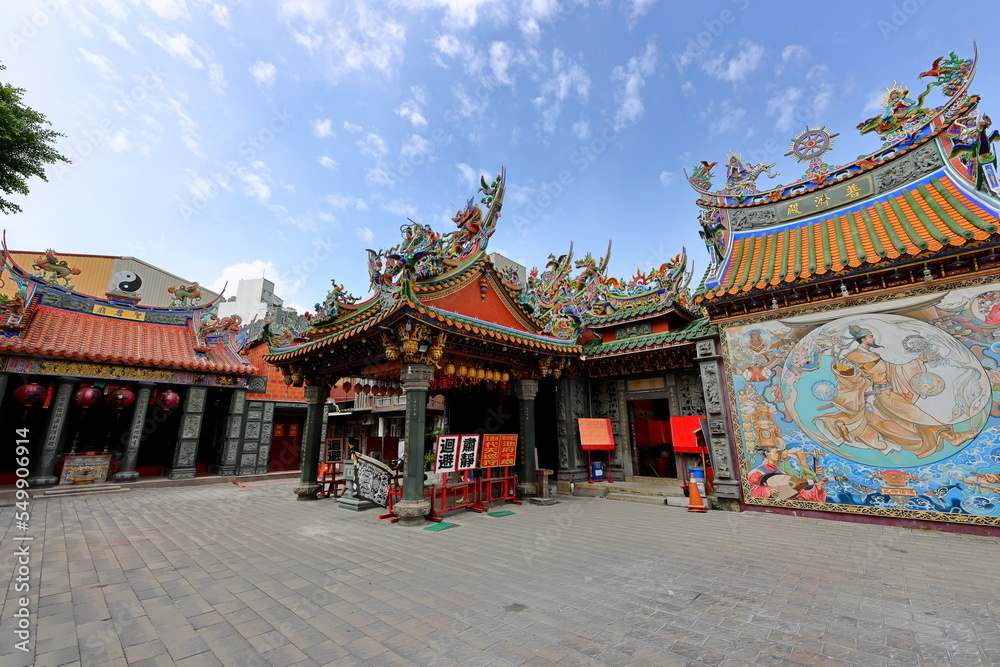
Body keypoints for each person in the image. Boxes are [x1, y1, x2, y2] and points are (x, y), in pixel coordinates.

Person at [814, 324, 973, 458]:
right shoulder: (854, 356)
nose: (873, 338)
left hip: (889, 392)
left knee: (910, 423)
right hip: (882, 394)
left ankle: (948, 437)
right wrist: (851, 375)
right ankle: (951, 436)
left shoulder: (872, 354)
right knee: (916, 415)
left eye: (872, 335)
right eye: (869, 336)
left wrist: (918, 361)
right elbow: (850, 376)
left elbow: (891, 369)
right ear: (862, 339)